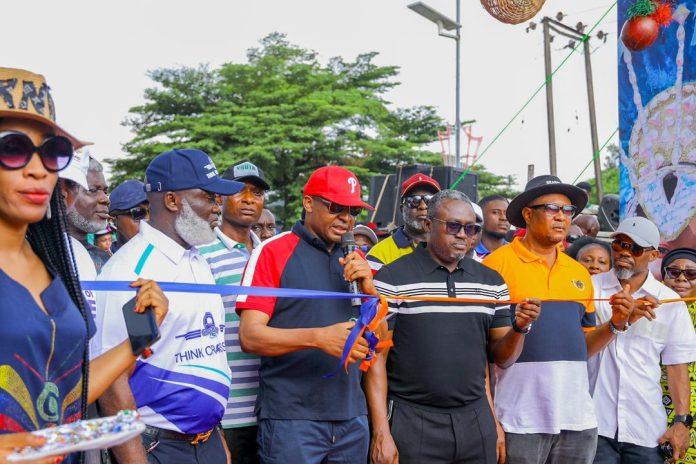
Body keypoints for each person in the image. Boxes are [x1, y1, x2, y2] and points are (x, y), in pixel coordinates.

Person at [0, 66, 168, 463]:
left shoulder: (53, 264)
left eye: (52, 152)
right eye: (13, 148)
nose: (39, 169)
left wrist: (138, 339)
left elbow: (65, 391)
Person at [369, 190, 541, 464]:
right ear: (428, 225)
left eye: (471, 228)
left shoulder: (491, 282)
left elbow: (498, 359)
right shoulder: (392, 278)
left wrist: (520, 327)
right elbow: (376, 359)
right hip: (412, 419)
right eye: (453, 226)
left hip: (475, 419)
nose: (463, 235)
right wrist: (381, 431)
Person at [95, 149, 243, 464]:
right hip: (157, 448)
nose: (217, 208)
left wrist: (216, 439)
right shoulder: (133, 272)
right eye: (209, 197)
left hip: (207, 443)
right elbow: (112, 384)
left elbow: (207, 353)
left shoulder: (196, 260)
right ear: (172, 201)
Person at [483, 175, 633, 464]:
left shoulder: (578, 272)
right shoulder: (495, 266)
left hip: (577, 420)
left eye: (567, 210)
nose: (562, 217)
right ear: (528, 214)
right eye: (552, 208)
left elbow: (583, 347)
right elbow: (485, 356)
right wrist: (491, 420)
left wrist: (615, 324)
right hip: (518, 420)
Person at [237, 166, 381, 463]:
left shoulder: (357, 258)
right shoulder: (272, 251)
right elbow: (250, 336)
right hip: (292, 419)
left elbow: (377, 342)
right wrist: (318, 338)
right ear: (308, 203)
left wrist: (371, 291)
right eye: (336, 207)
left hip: (352, 416)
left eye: (353, 211)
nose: (346, 218)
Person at [590, 218, 696, 463]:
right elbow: (579, 349)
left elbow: (677, 367)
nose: (624, 252)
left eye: (635, 248)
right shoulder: (591, 290)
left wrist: (682, 422)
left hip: (645, 429)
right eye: (619, 244)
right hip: (595, 425)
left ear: (653, 255)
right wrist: (618, 321)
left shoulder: (670, 303)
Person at [198, 160, 269, 464]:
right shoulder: (200, 255)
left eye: (257, 192)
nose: (249, 199)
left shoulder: (271, 253)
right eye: (240, 191)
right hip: (225, 413)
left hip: (272, 409)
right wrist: (210, 420)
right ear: (220, 198)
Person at [660, 248, 696, 463]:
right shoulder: (648, 309)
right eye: (674, 272)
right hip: (653, 406)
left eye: (691, 274)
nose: (681, 278)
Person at [367, 173, 440, 272]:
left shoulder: (449, 249)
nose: (423, 206)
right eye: (414, 200)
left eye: (430, 200)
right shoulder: (379, 254)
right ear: (402, 209)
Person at [59, 150, 111, 273]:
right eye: (92, 190)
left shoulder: (106, 258)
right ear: (63, 194)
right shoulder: (37, 255)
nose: (105, 199)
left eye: (105, 191)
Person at [109, 179, 149, 253]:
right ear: (113, 220)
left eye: (153, 211)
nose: (148, 219)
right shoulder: (105, 259)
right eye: (138, 212)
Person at [475, 195, 511, 260]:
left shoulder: (516, 253)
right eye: (495, 212)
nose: (504, 218)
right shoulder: (468, 251)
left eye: (507, 213)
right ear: (481, 216)